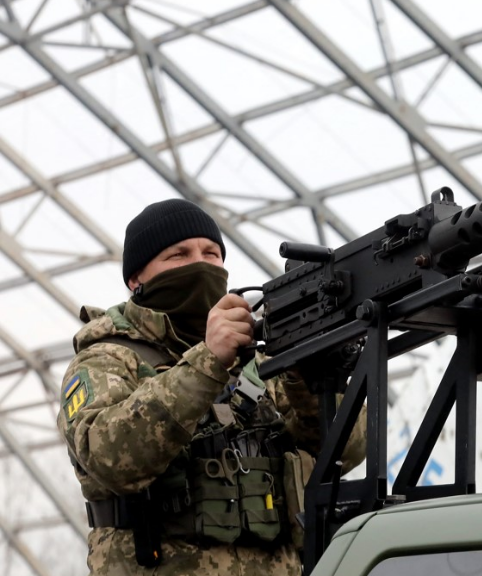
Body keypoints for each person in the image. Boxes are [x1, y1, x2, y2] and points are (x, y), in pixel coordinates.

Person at [58, 199, 365, 575]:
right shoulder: (107, 360)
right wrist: (208, 361)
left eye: (212, 253)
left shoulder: (258, 361)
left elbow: (348, 450)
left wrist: (306, 376)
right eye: (178, 255)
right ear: (136, 279)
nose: (201, 263)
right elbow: (110, 457)